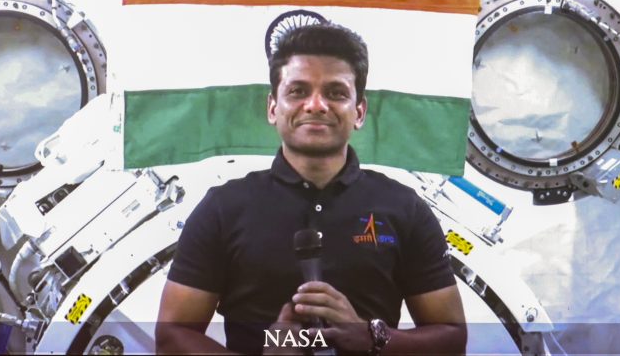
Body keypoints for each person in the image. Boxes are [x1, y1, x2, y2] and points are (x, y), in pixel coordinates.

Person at [155, 23, 466, 355]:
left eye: (336, 93)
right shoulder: (223, 208)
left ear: (359, 111)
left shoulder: (405, 208)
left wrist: (373, 338)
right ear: (273, 108)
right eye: (298, 91)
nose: (316, 105)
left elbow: (452, 339)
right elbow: (171, 337)